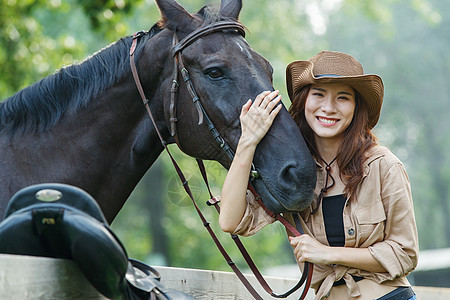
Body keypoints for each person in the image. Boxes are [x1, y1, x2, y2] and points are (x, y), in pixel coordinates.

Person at [219, 51, 418, 300]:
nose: (328, 107)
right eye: (319, 94)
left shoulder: (384, 166)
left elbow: (405, 253)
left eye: (342, 97)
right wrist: (247, 142)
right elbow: (231, 221)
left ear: (356, 107)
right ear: (304, 101)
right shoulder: (292, 171)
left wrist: (327, 253)